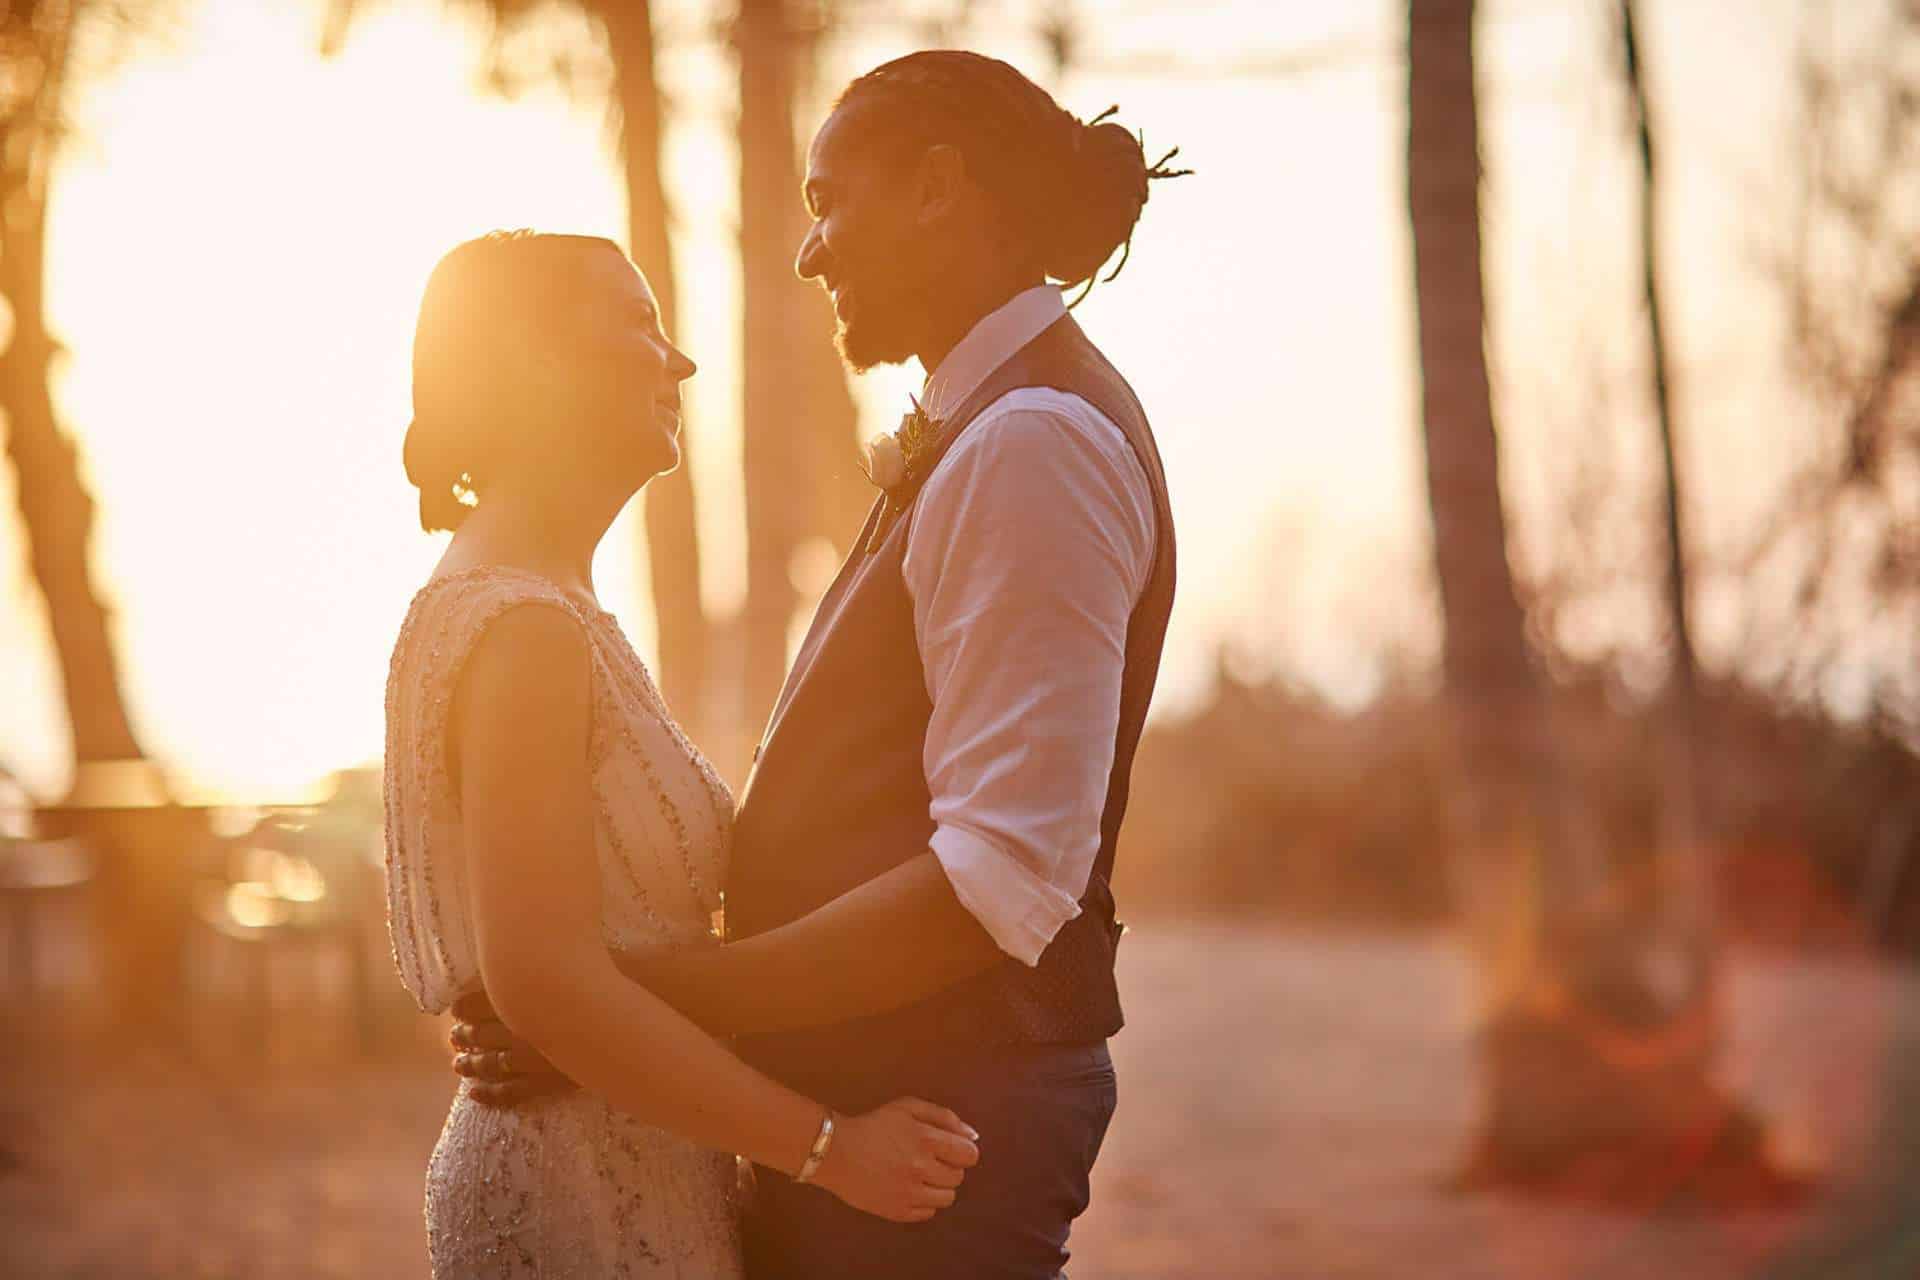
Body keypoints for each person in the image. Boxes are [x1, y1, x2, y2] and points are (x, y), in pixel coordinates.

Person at [452, 49, 1184, 1278]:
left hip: (938, 1123)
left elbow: (995, 879)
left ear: (938, 190)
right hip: (898, 1102)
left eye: (828, 199)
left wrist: (640, 1006)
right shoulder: (990, 425)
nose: (811, 250)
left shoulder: (1034, 441)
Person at [382, 229, 980, 1278]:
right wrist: (832, 1148)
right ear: (540, 365)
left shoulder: (543, 606)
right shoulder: (523, 629)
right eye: (639, 325)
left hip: (633, 1163)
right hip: (577, 1197)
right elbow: (546, 983)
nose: (681, 360)